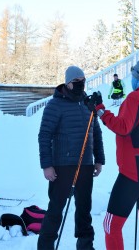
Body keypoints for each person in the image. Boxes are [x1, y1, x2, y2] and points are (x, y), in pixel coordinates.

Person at [86, 59, 139, 250]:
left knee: (111, 225)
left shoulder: (135, 98)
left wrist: (101, 110)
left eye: (133, 75)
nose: (132, 78)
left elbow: (123, 127)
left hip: (133, 171)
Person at [37, 66, 105, 250]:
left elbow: (96, 133)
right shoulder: (55, 104)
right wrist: (47, 165)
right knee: (56, 209)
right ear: (67, 83)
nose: (80, 85)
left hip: (85, 165)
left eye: (83, 81)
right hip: (62, 166)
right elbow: (44, 135)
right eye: (76, 82)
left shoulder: (87, 103)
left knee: (84, 209)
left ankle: (85, 245)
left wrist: (99, 159)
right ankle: (45, 246)